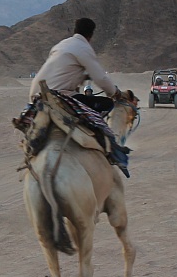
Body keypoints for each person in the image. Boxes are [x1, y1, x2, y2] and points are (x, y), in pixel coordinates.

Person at [23, 17, 131, 177]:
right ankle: (99, 139)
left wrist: (82, 76)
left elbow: (63, 71)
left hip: (37, 96)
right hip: (61, 97)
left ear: (75, 30)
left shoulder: (61, 45)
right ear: (91, 35)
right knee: (106, 103)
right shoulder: (83, 48)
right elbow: (101, 78)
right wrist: (115, 93)